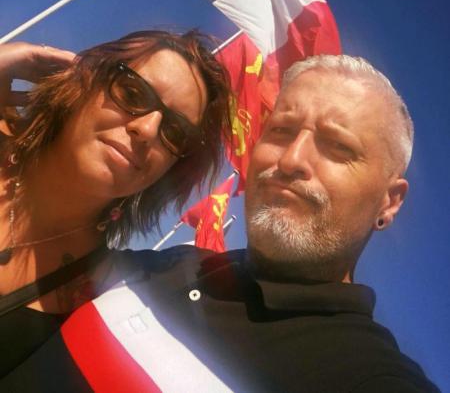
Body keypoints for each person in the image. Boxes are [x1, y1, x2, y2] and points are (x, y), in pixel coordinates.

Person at [0, 54, 440, 392]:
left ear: (390, 201)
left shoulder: (368, 374)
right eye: (281, 131)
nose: (291, 160)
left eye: (338, 147)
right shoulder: (155, 266)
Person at [0, 31, 232, 377]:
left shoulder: (102, 295)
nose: (148, 129)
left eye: (175, 132)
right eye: (133, 93)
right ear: (87, 79)